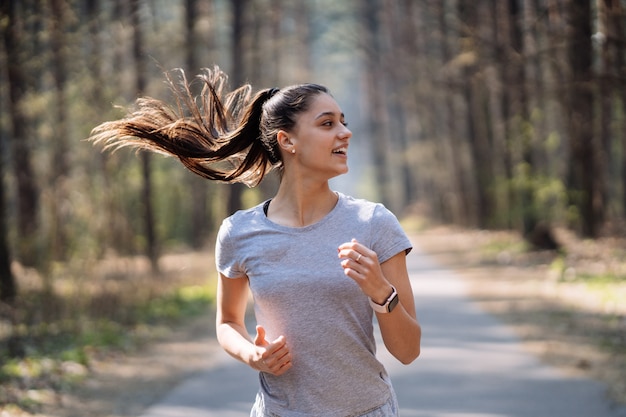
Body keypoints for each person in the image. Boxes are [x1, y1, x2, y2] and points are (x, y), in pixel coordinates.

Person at [90, 66, 421, 417]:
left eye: (344, 122)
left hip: (367, 410)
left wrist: (381, 292)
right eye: (328, 124)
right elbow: (228, 322)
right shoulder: (240, 232)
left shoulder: (373, 223)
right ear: (287, 140)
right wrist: (252, 355)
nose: (346, 133)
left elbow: (408, 351)